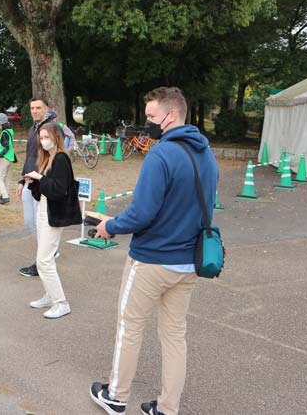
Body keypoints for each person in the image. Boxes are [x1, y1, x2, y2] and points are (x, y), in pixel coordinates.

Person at [90, 87, 219, 415]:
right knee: (175, 335)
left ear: (170, 115)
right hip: (189, 262)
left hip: (151, 260)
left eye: (150, 116)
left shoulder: (162, 154)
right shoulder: (206, 155)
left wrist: (110, 226)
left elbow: (141, 213)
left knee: (129, 326)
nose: (146, 123)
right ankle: (167, 408)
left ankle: (116, 396)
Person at [23, 123, 81, 319]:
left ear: (56, 137)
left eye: (46, 136)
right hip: (44, 210)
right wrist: (34, 182)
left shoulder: (61, 159)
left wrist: (40, 177)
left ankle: (61, 302)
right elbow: (44, 192)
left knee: (44, 260)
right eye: (41, 137)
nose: (43, 140)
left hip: (53, 214)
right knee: (44, 258)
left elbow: (59, 190)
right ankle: (50, 295)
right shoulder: (48, 158)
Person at [16, 97, 57, 277]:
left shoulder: (51, 129)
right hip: (29, 181)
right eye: (32, 108)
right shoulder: (33, 128)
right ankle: (48, 253)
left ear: (46, 109)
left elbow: (55, 157)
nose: (35, 111)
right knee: (30, 222)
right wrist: (21, 180)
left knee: (40, 224)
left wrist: (43, 178)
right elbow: (29, 157)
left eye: (38, 108)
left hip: (41, 183)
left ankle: (41, 263)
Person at [0, 113, 16, 205]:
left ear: (1, 124)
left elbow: (6, 147)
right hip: (10, 157)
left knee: (0, 178)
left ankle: (5, 196)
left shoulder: (5, 133)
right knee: (4, 177)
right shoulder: (10, 130)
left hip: (4, 157)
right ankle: (4, 194)